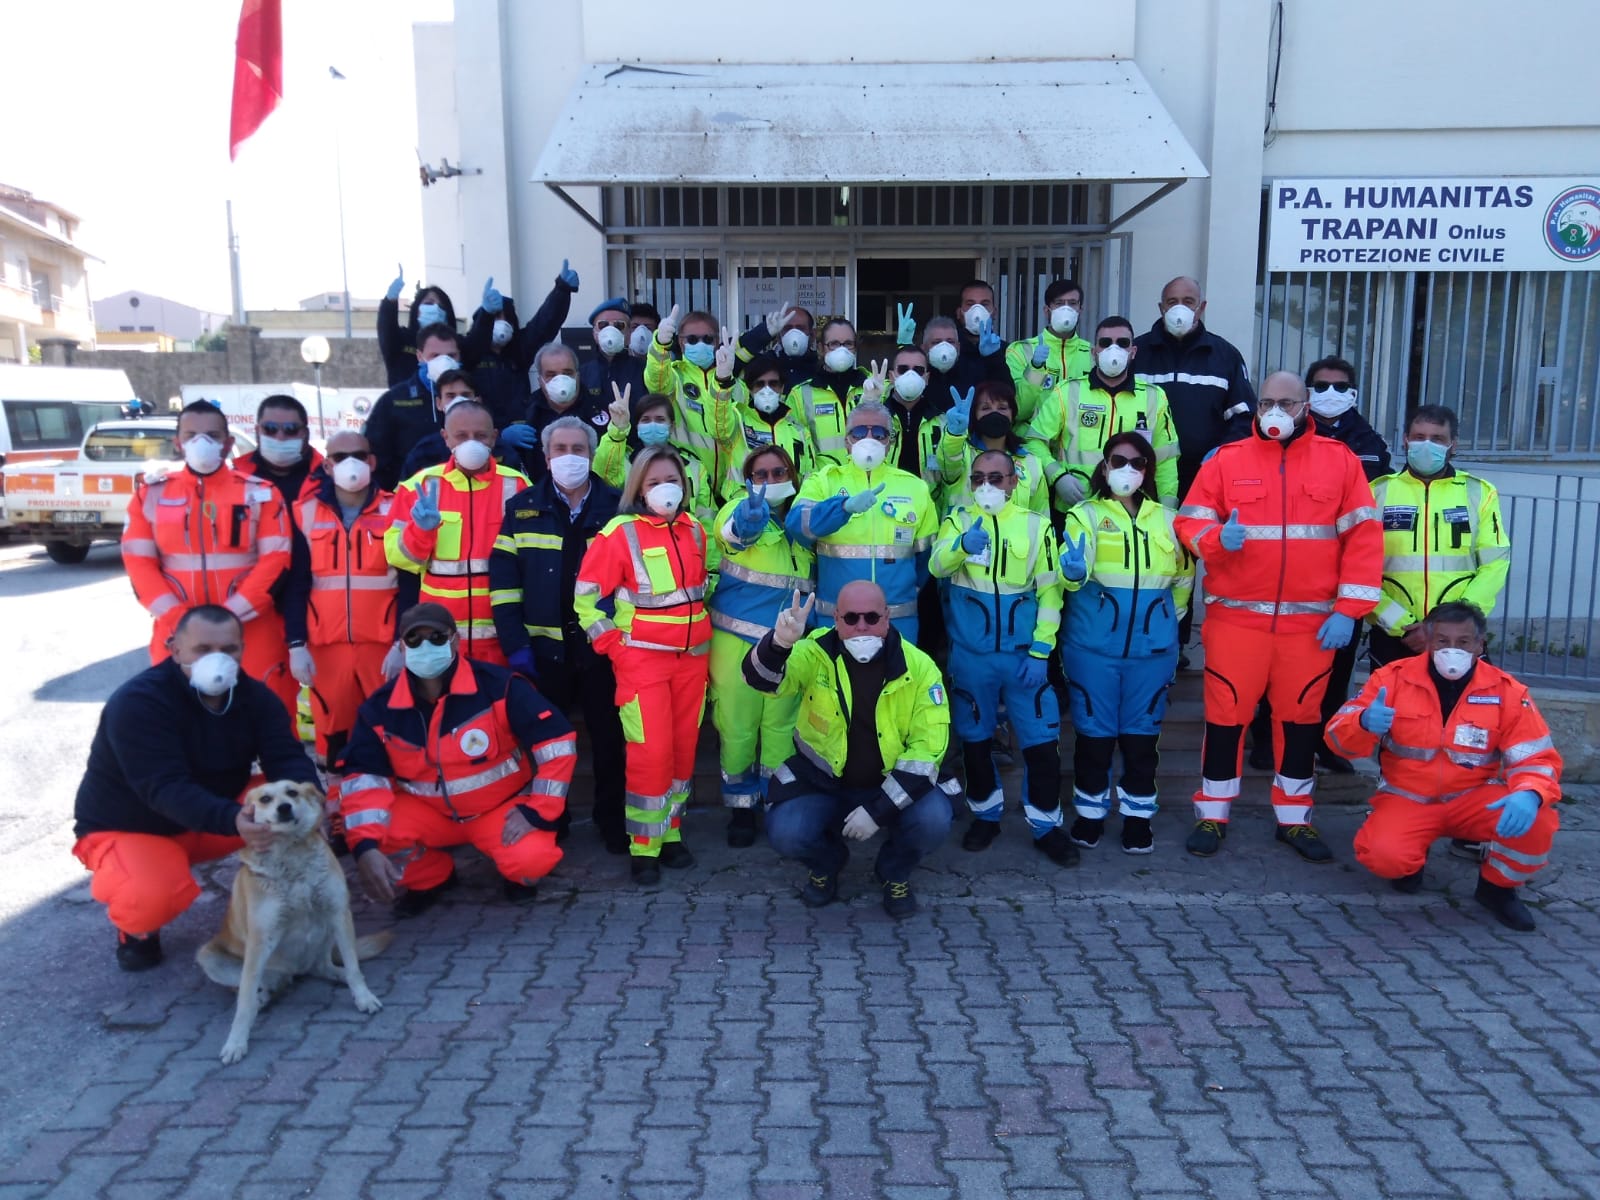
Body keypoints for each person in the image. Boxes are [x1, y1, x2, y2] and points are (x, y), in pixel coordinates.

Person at [1173, 371, 1383, 862]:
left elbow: (1364, 538)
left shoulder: (1340, 461)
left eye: (1286, 403)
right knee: (1227, 718)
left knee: (1300, 722)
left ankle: (1294, 818)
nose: (1275, 412)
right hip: (1237, 621)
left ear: (1305, 406)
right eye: (1266, 401)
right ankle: (1213, 812)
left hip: (1310, 626)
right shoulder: (1227, 461)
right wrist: (1214, 541)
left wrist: (1351, 611)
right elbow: (1190, 520)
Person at [71, 605, 320, 970]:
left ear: (242, 649)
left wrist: (311, 800)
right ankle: (138, 930)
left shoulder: (256, 698)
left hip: (211, 815)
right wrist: (234, 818)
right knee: (151, 898)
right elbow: (163, 788)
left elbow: (286, 757)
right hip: (135, 826)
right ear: (174, 649)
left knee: (295, 799)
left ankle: (279, 898)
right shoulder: (139, 703)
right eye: (203, 650)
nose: (217, 659)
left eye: (229, 649)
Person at [1326, 602, 1561, 932]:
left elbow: (1535, 756)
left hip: (1474, 799)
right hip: (1408, 798)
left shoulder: (1506, 691)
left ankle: (1497, 889)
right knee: (1383, 855)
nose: (1453, 650)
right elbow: (1338, 740)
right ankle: (1410, 862)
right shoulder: (1391, 680)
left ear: (1480, 645)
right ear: (1428, 641)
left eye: (1463, 642)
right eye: (1442, 641)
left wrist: (1530, 794)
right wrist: (1363, 722)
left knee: (1538, 819)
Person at [338, 604, 577, 915]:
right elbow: (362, 778)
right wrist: (364, 847)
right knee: (373, 833)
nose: (426, 647)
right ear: (400, 647)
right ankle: (431, 878)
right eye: (414, 640)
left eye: (437, 637)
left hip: (497, 811)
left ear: (455, 641)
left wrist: (538, 811)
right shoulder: (380, 708)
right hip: (427, 814)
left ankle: (513, 875)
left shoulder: (498, 686)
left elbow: (557, 742)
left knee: (531, 862)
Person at [745, 581, 952, 918]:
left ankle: (893, 871)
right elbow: (761, 680)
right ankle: (827, 863)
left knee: (935, 820)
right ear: (836, 618)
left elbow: (928, 750)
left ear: (887, 618)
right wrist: (779, 644)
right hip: (823, 782)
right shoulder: (814, 652)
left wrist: (879, 810)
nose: (861, 627)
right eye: (851, 618)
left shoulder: (921, 668)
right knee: (786, 831)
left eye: (871, 617)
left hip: (891, 785)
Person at [488, 415, 630, 855]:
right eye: (560, 450)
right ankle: (552, 818)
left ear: (592, 455)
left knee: (610, 741)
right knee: (546, 743)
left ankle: (612, 822)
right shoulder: (524, 507)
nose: (570, 458)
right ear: (546, 457)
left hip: (599, 649)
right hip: (542, 651)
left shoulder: (615, 505)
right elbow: (505, 582)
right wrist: (516, 646)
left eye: (579, 449)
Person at [573, 446, 713, 884]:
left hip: (692, 662)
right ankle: (643, 847)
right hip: (642, 663)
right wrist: (615, 647)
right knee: (650, 755)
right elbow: (587, 599)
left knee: (681, 752)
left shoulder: (695, 530)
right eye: (653, 482)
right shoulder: (619, 532)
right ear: (638, 487)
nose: (664, 489)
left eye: (671, 480)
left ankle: (670, 833)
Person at [1248, 356, 1394, 773]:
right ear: (1307, 397)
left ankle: (1327, 740)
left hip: (1342, 579)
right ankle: (1266, 739)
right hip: (1287, 576)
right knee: (1271, 670)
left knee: (1336, 668)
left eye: (1340, 385)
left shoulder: (1368, 444)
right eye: (1321, 385)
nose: (1330, 393)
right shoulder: (1283, 434)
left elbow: (1368, 516)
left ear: (1353, 392)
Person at [929, 450, 1074, 863]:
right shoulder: (957, 520)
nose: (986, 486)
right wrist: (960, 546)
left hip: (1023, 656)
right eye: (977, 478)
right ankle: (985, 817)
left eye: (996, 477)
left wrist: (1041, 650)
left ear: (1014, 482)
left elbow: (1050, 591)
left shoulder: (1036, 525)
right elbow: (938, 567)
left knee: (1041, 742)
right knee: (975, 742)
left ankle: (1046, 826)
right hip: (972, 657)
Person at [1061, 433, 1195, 853]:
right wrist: (1073, 570)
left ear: (1147, 471)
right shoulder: (1082, 514)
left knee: (1141, 738)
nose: (1127, 470)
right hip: (1091, 648)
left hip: (1151, 652)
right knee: (1094, 736)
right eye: (1119, 460)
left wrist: (1162, 623)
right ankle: (1090, 815)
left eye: (1138, 463)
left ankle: (1138, 819)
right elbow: (1071, 578)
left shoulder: (1168, 520)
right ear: (1104, 467)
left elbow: (1183, 579)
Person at [122, 400, 297, 718]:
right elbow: (139, 565)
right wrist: (181, 622)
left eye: (212, 435)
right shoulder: (151, 495)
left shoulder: (262, 493)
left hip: (251, 630)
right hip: (177, 633)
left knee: (264, 719)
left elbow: (276, 561)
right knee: (175, 720)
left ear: (228, 443)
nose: (201, 442)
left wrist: (229, 620)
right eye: (191, 435)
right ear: (178, 444)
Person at [708, 446, 815, 847]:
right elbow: (731, 532)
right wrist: (746, 521)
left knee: (781, 727)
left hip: (787, 644)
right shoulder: (740, 508)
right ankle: (740, 809)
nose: (769, 481)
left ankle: (775, 801)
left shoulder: (803, 524)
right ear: (748, 481)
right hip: (736, 640)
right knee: (737, 728)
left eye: (778, 472)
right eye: (760, 474)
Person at [281, 429, 401, 763]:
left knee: (388, 732)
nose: (351, 463)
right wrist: (296, 645)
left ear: (372, 462)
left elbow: (410, 583)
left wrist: (401, 643)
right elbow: (296, 584)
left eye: (360, 455)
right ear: (328, 466)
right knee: (333, 736)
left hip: (381, 647)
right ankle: (338, 804)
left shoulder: (396, 509)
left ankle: (389, 805)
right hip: (326, 648)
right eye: (340, 457)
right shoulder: (304, 512)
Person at [386, 400, 531, 667]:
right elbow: (399, 558)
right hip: (440, 639)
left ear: (494, 438)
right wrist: (421, 531)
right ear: (445, 437)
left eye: (480, 435)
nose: (471, 442)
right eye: (461, 436)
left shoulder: (518, 485)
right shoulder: (418, 487)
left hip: (502, 641)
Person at [1367, 404, 1510, 669]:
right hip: (1395, 633)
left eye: (1437, 439)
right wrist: (1402, 625)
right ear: (1406, 440)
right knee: (1392, 709)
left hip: (1459, 636)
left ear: (1453, 445)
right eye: (1419, 437)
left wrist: (1453, 624)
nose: (1426, 445)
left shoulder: (1479, 493)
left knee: (1461, 709)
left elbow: (1495, 565)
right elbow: (1359, 568)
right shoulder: (1376, 493)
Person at [788, 400, 937, 641]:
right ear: (847, 441)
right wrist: (842, 508)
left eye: (879, 433)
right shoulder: (825, 481)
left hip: (897, 622)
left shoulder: (915, 487)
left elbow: (925, 558)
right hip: (836, 620)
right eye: (859, 432)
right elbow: (797, 526)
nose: (869, 439)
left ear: (890, 442)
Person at [1023, 316, 1180, 509]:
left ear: (1133, 351)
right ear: (1094, 352)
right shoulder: (1067, 392)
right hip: (1075, 506)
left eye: (1122, 343)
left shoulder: (1154, 397)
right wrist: (1057, 476)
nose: (1114, 349)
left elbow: (1166, 459)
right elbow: (1034, 441)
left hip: (1134, 510)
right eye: (1105, 343)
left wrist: (1168, 509)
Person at [645, 306, 748, 493]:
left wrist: (724, 379)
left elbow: (729, 432)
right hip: (689, 479)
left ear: (717, 341)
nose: (700, 343)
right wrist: (660, 346)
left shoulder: (736, 386)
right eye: (692, 339)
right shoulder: (675, 376)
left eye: (707, 339)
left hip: (731, 484)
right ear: (681, 342)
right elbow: (656, 381)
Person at [595, 388, 721, 527]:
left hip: (683, 541)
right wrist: (618, 429)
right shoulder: (623, 462)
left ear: (671, 426)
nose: (653, 425)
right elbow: (601, 473)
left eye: (660, 420)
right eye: (646, 420)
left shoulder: (694, 467)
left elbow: (706, 520)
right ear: (637, 427)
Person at [365, 323, 465, 490]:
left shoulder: (473, 394)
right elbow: (377, 456)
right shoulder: (394, 400)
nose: (444, 362)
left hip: (462, 491)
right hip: (410, 493)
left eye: (451, 355)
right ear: (420, 356)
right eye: (435, 356)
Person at [934, 380, 1050, 516]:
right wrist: (954, 434)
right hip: (964, 535)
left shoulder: (1031, 462)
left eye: (1002, 408)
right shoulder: (960, 453)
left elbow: (1040, 516)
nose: (994, 413)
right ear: (974, 415)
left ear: (1013, 415)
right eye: (985, 408)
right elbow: (948, 463)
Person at [399, 368, 536, 483]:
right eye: (451, 396)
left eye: (465, 394)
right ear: (439, 403)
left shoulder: (502, 450)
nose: (459, 400)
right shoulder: (424, 451)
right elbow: (404, 496)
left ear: (477, 400)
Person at [1007, 278, 1094, 424]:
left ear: (1080, 309)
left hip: (1075, 442)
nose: (1066, 309)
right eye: (1059, 303)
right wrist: (1035, 369)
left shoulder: (1094, 354)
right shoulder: (1021, 350)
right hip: (1033, 440)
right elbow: (1019, 411)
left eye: (1072, 303)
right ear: (1047, 310)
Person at [785, 317, 870, 466]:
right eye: (834, 344)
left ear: (855, 348)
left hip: (866, 478)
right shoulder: (800, 395)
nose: (841, 349)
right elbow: (792, 446)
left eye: (848, 344)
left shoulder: (873, 386)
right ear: (821, 348)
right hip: (824, 483)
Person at [458, 276, 533, 432]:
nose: (503, 323)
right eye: (496, 317)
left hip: (521, 433)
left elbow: (544, 324)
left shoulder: (518, 352)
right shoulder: (469, 353)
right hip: (484, 434)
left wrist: (562, 290)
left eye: (508, 319)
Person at [232, 393, 326, 508]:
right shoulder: (235, 478)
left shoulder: (327, 477)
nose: (280, 437)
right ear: (257, 431)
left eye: (291, 429)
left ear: (305, 433)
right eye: (270, 428)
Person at [737, 354, 816, 480]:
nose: (767, 390)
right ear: (750, 389)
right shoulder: (738, 423)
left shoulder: (799, 430)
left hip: (790, 498)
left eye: (773, 384)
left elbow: (810, 476)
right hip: (747, 498)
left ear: (782, 387)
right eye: (760, 384)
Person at [377, 267, 459, 387]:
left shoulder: (455, 342)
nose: (435, 308)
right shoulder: (402, 339)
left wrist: (486, 315)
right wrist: (390, 302)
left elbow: (476, 344)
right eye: (429, 303)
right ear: (416, 309)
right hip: (405, 403)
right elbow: (386, 328)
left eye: (441, 306)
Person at [580, 297, 647, 415]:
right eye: (603, 325)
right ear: (594, 333)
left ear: (629, 335)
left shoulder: (645, 370)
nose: (610, 330)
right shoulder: (581, 373)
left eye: (619, 325)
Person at [736, 301, 819, 388]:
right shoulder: (764, 365)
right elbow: (728, 365)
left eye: (800, 328)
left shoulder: (821, 367)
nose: (794, 333)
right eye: (787, 328)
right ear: (779, 336)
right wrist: (763, 333)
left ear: (812, 335)